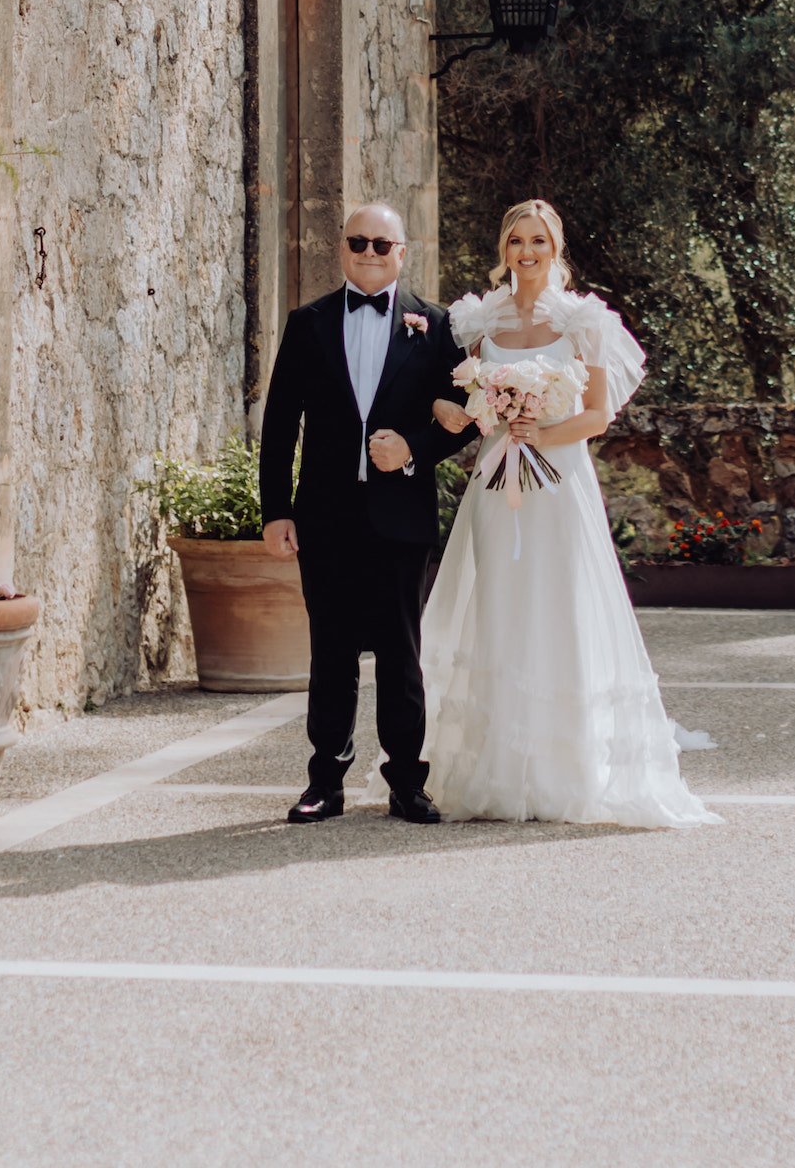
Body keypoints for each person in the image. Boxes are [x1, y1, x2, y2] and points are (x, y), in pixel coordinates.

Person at [423, 197, 714, 828]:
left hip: (559, 486)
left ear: (557, 251)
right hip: (497, 489)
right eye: (516, 241)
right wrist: (481, 416)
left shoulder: (583, 320)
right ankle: (495, 770)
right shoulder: (478, 320)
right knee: (499, 604)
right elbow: (459, 403)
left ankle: (565, 772)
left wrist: (538, 428)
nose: (527, 253)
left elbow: (598, 416)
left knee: (560, 607)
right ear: (504, 250)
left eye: (540, 242)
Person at [259, 201, 465, 824]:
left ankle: (407, 780)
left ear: (402, 252)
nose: (370, 253)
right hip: (325, 516)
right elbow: (279, 424)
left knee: (403, 654)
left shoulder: (436, 324)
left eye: (382, 245)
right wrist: (276, 510)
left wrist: (412, 451)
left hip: (401, 516)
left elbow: (462, 416)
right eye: (358, 243)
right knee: (332, 652)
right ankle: (326, 780)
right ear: (341, 249)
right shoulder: (308, 322)